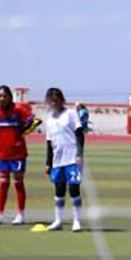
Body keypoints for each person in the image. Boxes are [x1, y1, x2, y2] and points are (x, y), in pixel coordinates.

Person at [0, 85, 40, 225]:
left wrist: (21, 133)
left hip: (18, 153)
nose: (1, 98)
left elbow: (33, 120)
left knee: (18, 183)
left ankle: (20, 214)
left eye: (4, 96)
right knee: (3, 184)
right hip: (3, 153)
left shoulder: (18, 109)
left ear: (10, 97)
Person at [44, 87, 85, 232]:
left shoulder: (71, 114)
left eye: (56, 100)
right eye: (51, 101)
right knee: (59, 191)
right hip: (57, 160)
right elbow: (49, 143)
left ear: (62, 100)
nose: (54, 103)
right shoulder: (49, 120)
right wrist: (48, 163)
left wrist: (79, 154)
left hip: (72, 158)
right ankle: (58, 221)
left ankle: (77, 221)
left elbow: (80, 134)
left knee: (74, 189)